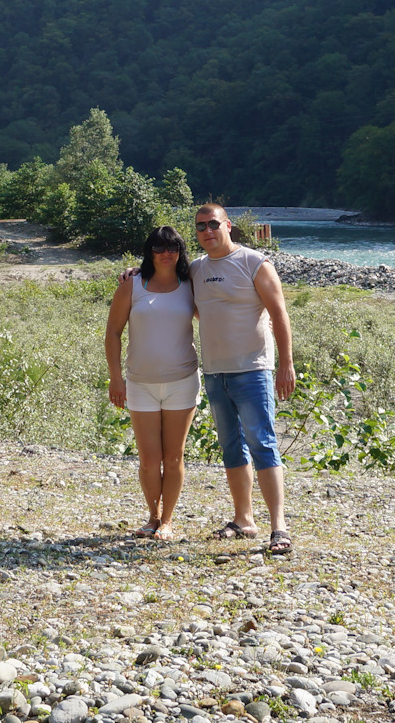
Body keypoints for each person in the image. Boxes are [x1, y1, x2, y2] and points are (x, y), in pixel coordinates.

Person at [189, 202, 295, 555]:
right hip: (215, 372)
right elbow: (159, 280)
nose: (207, 231)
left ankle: (279, 527)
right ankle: (243, 519)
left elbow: (279, 313)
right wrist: (132, 271)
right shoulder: (195, 269)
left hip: (253, 369)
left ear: (228, 225)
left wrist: (285, 364)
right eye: (200, 226)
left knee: (263, 443)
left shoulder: (254, 262)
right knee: (231, 446)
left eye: (213, 224)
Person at [104, 224, 200, 541]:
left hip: (182, 382)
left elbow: (217, 311)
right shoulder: (133, 284)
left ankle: (168, 521)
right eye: (158, 248)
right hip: (139, 384)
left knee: (173, 458)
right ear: (149, 252)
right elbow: (113, 333)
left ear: (180, 252)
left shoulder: (191, 284)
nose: (165, 254)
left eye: (172, 248)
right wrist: (115, 378)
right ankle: (152, 517)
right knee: (148, 461)